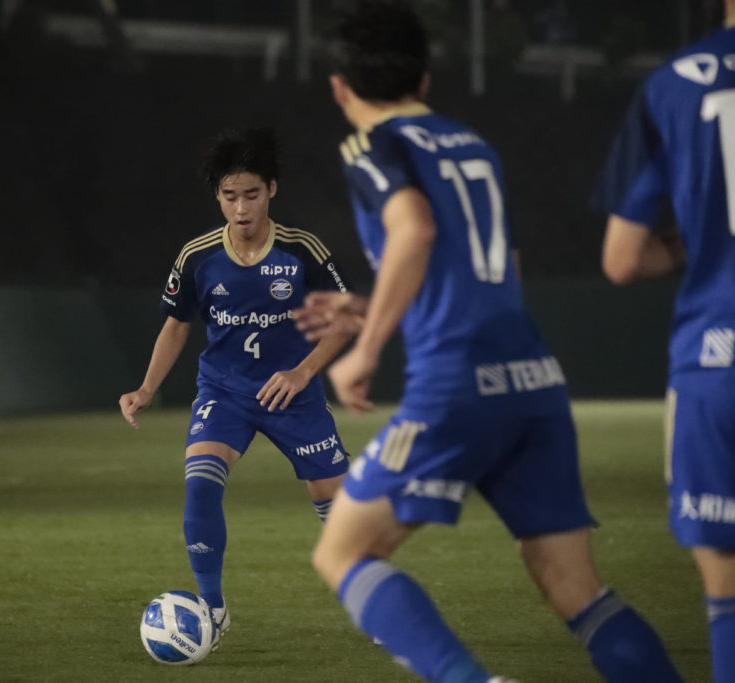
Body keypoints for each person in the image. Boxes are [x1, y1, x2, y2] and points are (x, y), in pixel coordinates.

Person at [292, 2, 682, 681]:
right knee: (578, 590)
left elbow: (413, 229)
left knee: (342, 552)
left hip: (457, 385)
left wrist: (367, 347)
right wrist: (373, 305)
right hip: (532, 379)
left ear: (340, 87)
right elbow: (499, 269)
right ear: (424, 78)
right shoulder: (472, 144)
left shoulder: (372, 146)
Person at [119, 127, 354, 646]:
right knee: (201, 482)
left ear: (272, 189)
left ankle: (373, 604)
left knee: (339, 510)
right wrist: (147, 387)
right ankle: (212, 608)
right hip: (224, 392)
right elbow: (177, 325)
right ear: (217, 196)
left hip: (293, 397)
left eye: (251, 194)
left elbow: (344, 320)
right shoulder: (198, 256)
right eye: (230, 196)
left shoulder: (302, 250)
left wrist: (302, 372)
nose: (241, 208)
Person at [598, 3, 735, 679]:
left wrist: (694, 248)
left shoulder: (674, 83)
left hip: (716, 354)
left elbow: (622, 259)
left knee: (726, 581)